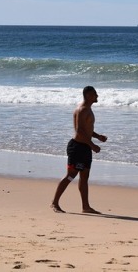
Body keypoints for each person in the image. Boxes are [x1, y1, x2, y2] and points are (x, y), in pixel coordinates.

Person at [51, 86, 107, 214]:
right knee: (71, 176)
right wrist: (93, 145)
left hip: (85, 147)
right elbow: (79, 131)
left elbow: (87, 129)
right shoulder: (82, 110)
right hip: (77, 148)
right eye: (94, 94)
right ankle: (54, 203)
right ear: (88, 95)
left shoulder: (88, 110)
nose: (97, 96)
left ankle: (86, 207)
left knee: (84, 177)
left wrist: (98, 136)